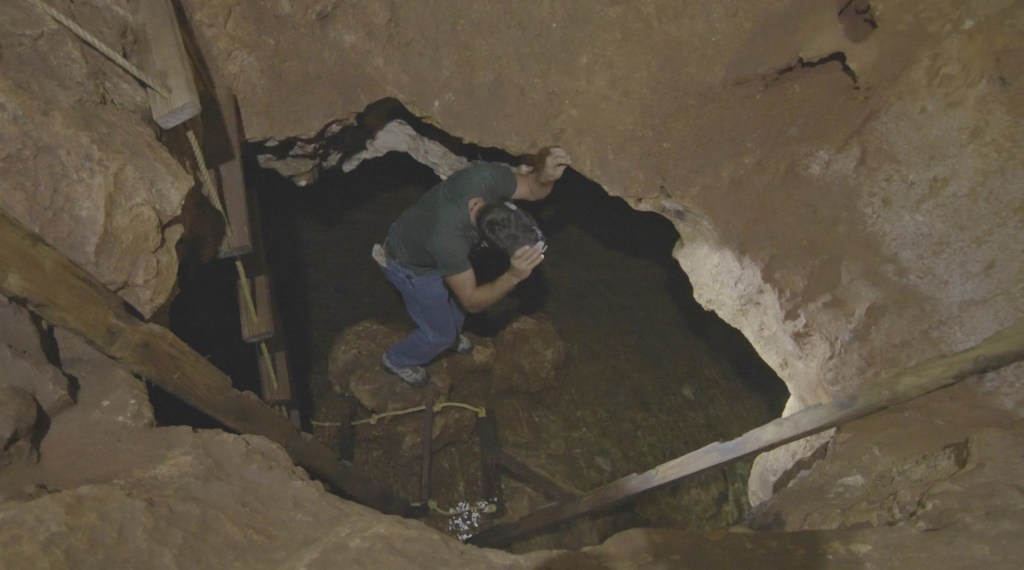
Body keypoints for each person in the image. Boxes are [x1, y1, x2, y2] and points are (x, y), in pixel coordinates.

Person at [374, 147, 571, 387]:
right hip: (410, 266)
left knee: (455, 311)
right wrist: (513, 276)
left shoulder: (485, 180)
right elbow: (471, 301)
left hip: (427, 239)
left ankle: (450, 336)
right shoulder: (448, 241)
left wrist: (544, 177)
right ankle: (397, 360)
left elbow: (531, 189)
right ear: (485, 242)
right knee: (439, 333)